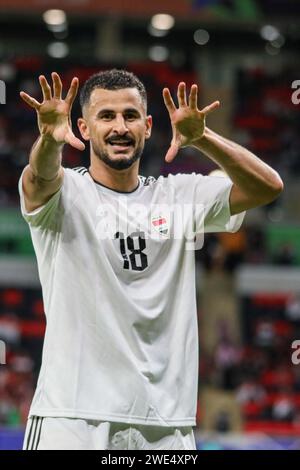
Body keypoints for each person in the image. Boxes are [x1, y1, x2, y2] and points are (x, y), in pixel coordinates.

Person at [18, 69, 283, 450]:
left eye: (130, 115)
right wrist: (48, 140)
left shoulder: (179, 196)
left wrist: (203, 137)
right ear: (84, 127)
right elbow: (40, 178)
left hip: (166, 427)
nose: (120, 126)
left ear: (148, 125)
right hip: (73, 419)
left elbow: (268, 186)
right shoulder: (65, 194)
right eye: (106, 116)